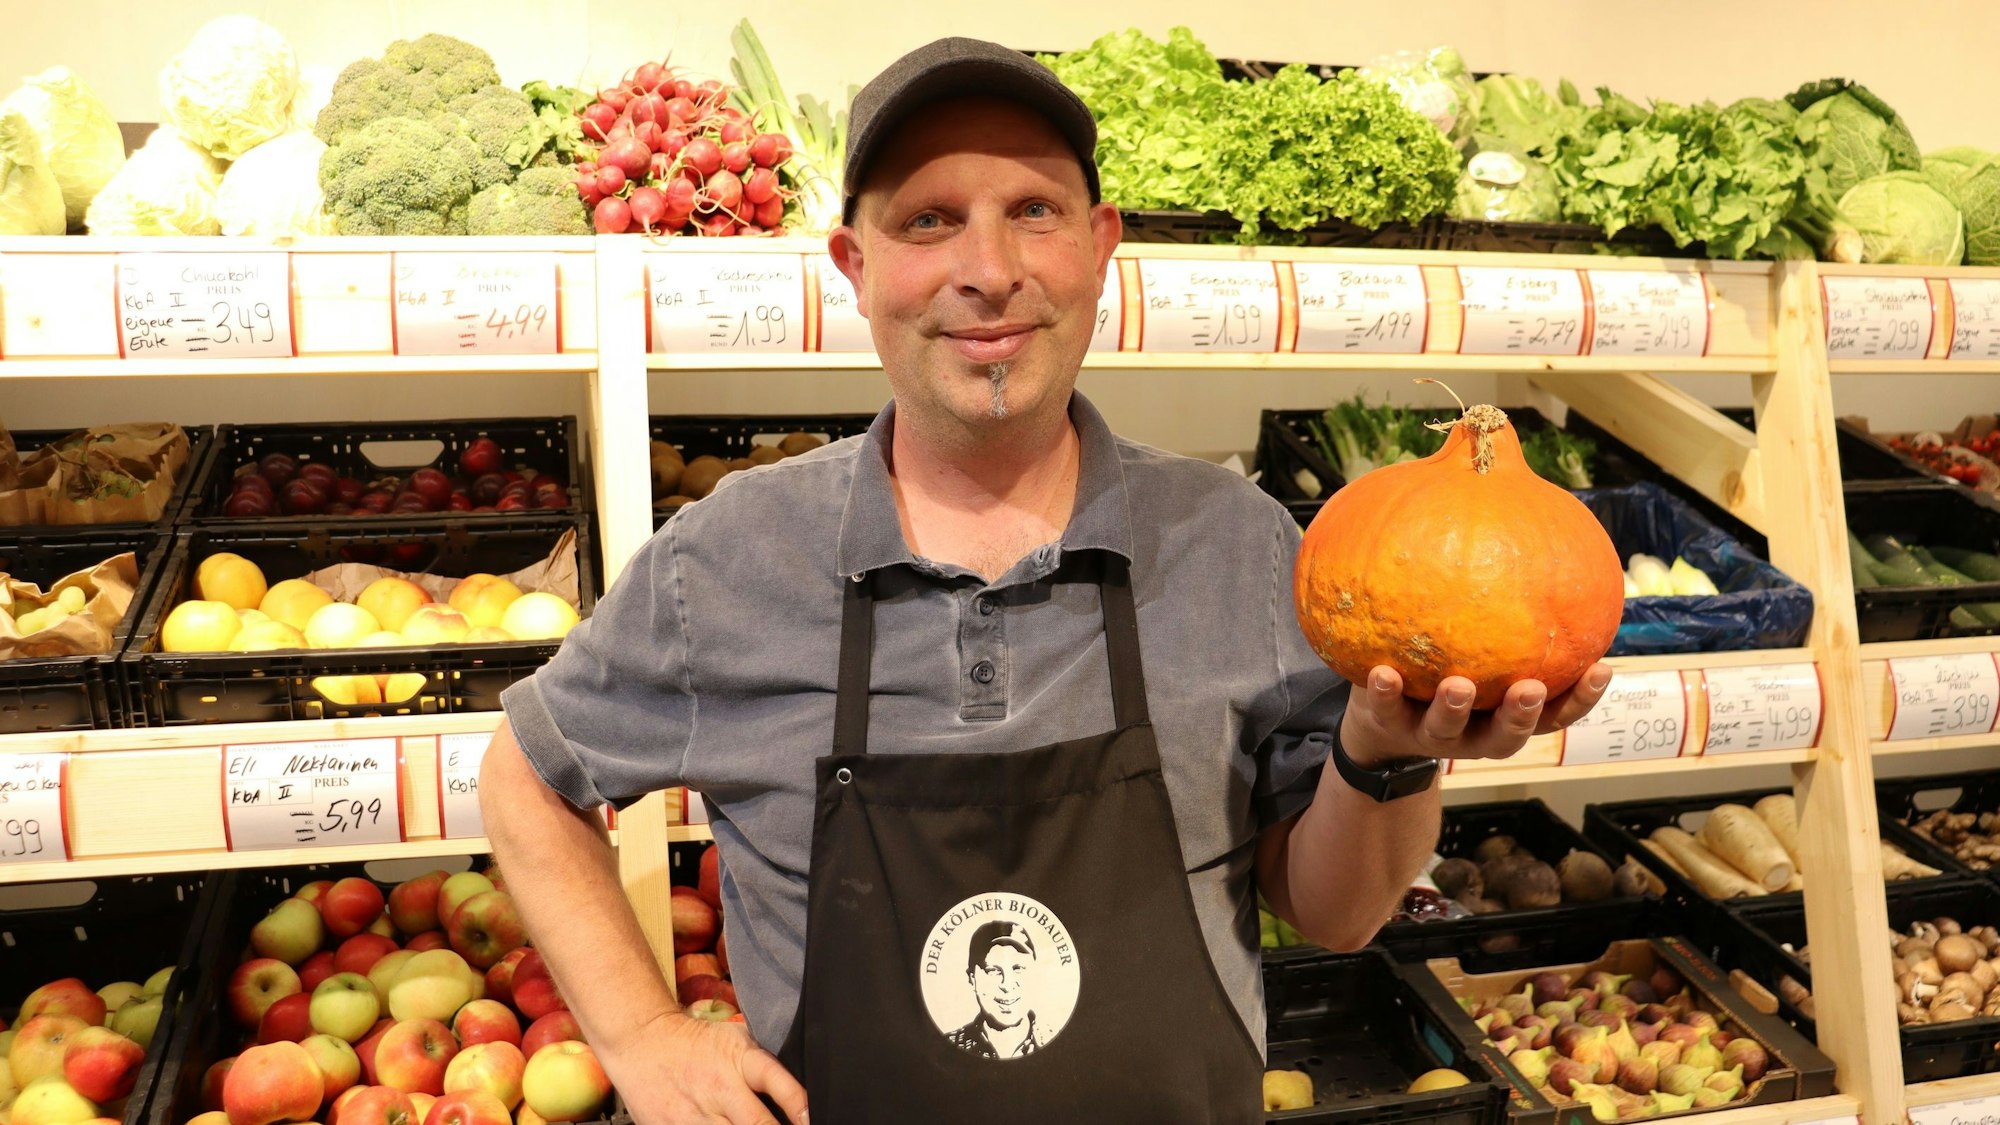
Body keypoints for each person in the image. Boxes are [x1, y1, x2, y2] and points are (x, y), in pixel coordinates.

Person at [478, 36, 1612, 1125]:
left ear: (1100, 244)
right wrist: (638, 1035)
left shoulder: (1239, 545)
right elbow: (529, 780)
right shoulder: (726, 563)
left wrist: (1389, 748)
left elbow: (1335, 913)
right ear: (853, 266)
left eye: (1033, 212)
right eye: (929, 221)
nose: (989, 271)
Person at [946, 922, 1050, 1059]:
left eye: (1018, 968)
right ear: (972, 979)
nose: (1006, 985)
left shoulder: (1061, 1041)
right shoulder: (946, 1046)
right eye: (993, 971)